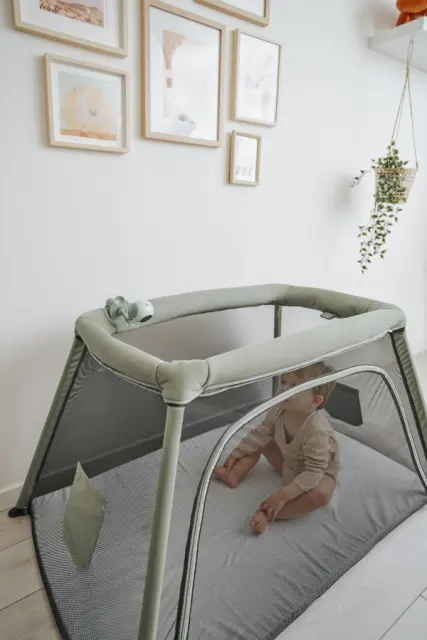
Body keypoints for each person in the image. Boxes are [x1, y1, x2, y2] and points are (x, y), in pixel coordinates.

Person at [214, 363, 340, 533]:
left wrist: (281, 497)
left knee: (322, 495)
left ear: (315, 401)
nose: (284, 389)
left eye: (294, 386)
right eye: (284, 382)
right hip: (289, 463)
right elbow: (259, 435)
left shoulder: (317, 431)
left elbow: (314, 472)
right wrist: (236, 454)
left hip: (316, 474)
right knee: (260, 440)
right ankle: (235, 474)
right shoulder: (279, 410)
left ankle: (270, 513)